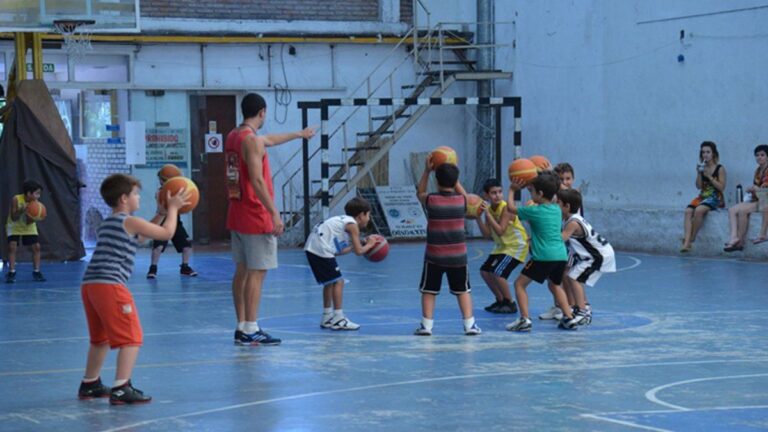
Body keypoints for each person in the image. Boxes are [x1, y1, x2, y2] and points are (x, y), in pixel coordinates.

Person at [77, 174, 190, 405]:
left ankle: (90, 383)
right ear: (123, 198)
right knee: (131, 338)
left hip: (90, 286)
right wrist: (173, 209)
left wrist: (160, 213)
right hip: (110, 285)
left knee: (100, 339)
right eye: (136, 194)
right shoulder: (128, 221)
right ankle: (121, 387)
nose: (139, 197)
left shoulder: (110, 222)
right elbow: (167, 234)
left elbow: (139, 238)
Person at [226, 92, 316, 346]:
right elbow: (256, 179)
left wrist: (299, 134)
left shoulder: (235, 135)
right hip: (256, 214)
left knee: (242, 270)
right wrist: (274, 212)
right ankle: (251, 328)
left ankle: (242, 325)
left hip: (237, 212)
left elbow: (268, 141)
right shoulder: (252, 142)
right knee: (257, 272)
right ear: (263, 112)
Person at [504, 172, 581, 332]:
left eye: (532, 191)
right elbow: (554, 192)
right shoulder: (556, 209)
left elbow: (511, 209)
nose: (531, 194)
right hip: (560, 255)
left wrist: (512, 190)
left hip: (543, 257)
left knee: (519, 284)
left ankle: (524, 319)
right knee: (555, 285)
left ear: (539, 194)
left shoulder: (534, 211)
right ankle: (569, 317)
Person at [414, 159, 481, 336]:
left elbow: (419, 192)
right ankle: (469, 325)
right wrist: (455, 179)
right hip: (458, 257)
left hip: (434, 256)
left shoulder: (431, 200)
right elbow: (466, 196)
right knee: (463, 290)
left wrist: (427, 171)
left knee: (429, 290)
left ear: (436, 181)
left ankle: (426, 326)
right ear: (456, 182)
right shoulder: (461, 201)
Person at [305, 197, 377, 331]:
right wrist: (371, 245)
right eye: (368, 214)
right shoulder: (352, 225)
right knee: (339, 281)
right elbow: (359, 252)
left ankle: (327, 316)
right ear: (361, 215)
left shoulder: (342, 222)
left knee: (330, 282)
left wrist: (356, 245)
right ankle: (339, 318)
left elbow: (339, 251)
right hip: (320, 249)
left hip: (313, 248)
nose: (369, 218)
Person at [557, 188, 616, 326]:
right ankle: (581, 308)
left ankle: (584, 312)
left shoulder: (572, 222)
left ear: (567, 206)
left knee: (573, 277)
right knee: (574, 276)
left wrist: (542, 231)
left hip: (599, 256)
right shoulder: (573, 218)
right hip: (596, 255)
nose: (555, 206)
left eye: (557, 204)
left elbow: (562, 238)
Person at [475, 178, 528, 314]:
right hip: (502, 246)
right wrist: (478, 218)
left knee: (498, 273)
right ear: (486, 195)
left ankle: (510, 303)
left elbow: (500, 230)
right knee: (485, 272)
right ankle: (500, 300)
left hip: (516, 245)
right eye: (493, 193)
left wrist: (487, 215)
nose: (497, 195)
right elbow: (487, 235)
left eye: (499, 192)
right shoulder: (489, 210)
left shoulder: (506, 208)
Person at [146, 169, 198, 278]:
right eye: (161, 179)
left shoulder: (178, 191)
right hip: (163, 221)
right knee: (158, 247)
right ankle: (153, 269)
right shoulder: (160, 192)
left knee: (186, 246)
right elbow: (161, 209)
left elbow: (183, 207)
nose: (161, 181)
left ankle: (185, 267)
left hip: (175, 221)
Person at [681, 141, 726, 252]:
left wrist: (709, 176)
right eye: (703, 152)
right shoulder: (702, 167)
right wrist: (699, 173)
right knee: (687, 211)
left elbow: (721, 187)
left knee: (699, 210)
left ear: (714, 154)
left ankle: (691, 238)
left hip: (716, 197)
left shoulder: (720, 168)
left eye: (708, 152)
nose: (705, 155)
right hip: (702, 196)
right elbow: (698, 186)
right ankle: (686, 243)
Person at [724, 144, 768, 251]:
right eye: (757, 155)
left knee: (762, 197)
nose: (759, 157)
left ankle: (762, 234)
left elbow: (764, 190)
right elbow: (758, 190)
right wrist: (752, 190)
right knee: (733, 210)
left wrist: (755, 188)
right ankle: (736, 238)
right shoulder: (757, 171)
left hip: (765, 200)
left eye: (762, 155)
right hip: (759, 199)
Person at [5, 180, 46, 283]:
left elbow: (29, 222)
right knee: (12, 246)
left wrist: (37, 217)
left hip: (28, 226)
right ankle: (12, 272)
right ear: (28, 193)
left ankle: (36, 271)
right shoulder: (16, 199)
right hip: (14, 226)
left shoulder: (36, 204)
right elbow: (14, 217)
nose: (38, 196)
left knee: (36, 247)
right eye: (37, 193)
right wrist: (21, 210)